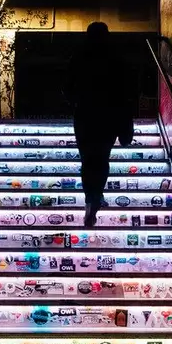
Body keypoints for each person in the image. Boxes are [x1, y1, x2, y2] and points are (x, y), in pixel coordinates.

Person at [64, 22, 134, 227]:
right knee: (102, 157)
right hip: (109, 115)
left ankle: (90, 197)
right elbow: (126, 93)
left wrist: (77, 100)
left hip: (85, 114)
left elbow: (67, 88)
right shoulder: (116, 59)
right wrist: (125, 126)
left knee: (87, 158)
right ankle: (98, 193)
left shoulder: (79, 57)